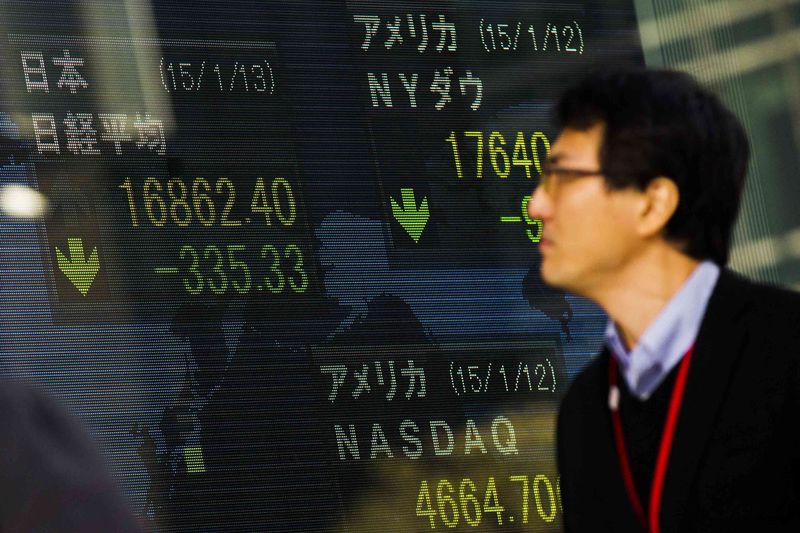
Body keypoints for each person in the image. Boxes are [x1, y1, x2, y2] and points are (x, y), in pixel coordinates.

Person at [527, 68, 800, 532]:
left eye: (563, 177)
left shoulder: (788, 347)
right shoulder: (583, 415)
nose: (537, 205)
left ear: (653, 204)